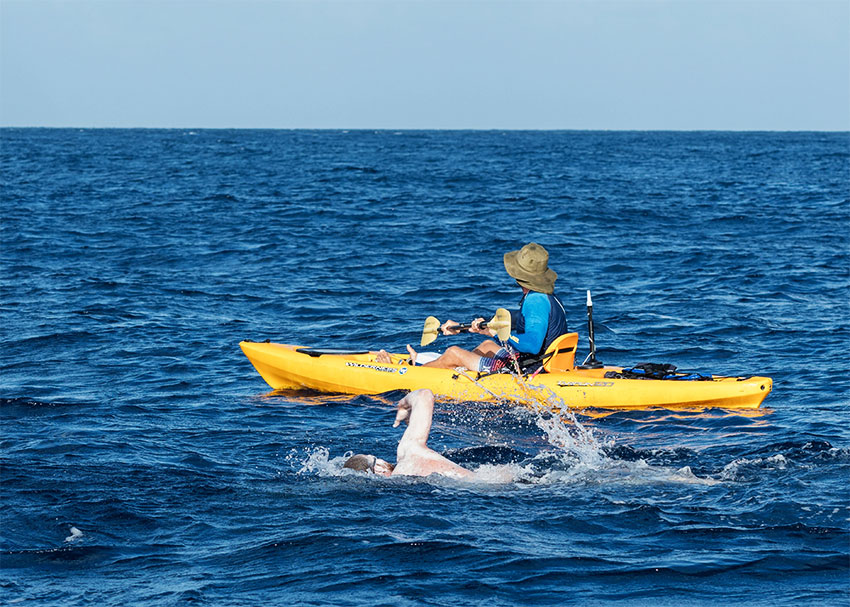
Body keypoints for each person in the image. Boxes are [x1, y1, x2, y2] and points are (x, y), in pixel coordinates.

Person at [408, 242, 568, 373]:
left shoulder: (535, 301)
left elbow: (532, 345)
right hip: (542, 363)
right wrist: (465, 327)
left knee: (453, 352)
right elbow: (514, 320)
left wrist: (498, 334)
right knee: (486, 346)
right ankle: (454, 371)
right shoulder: (547, 297)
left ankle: (417, 373)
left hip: (528, 369)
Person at [343, 389, 473, 479]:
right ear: (379, 469)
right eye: (374, 458)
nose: (381, 459)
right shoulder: (409, 453)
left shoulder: (403, 484)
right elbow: (424, 395)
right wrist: (403, 406)